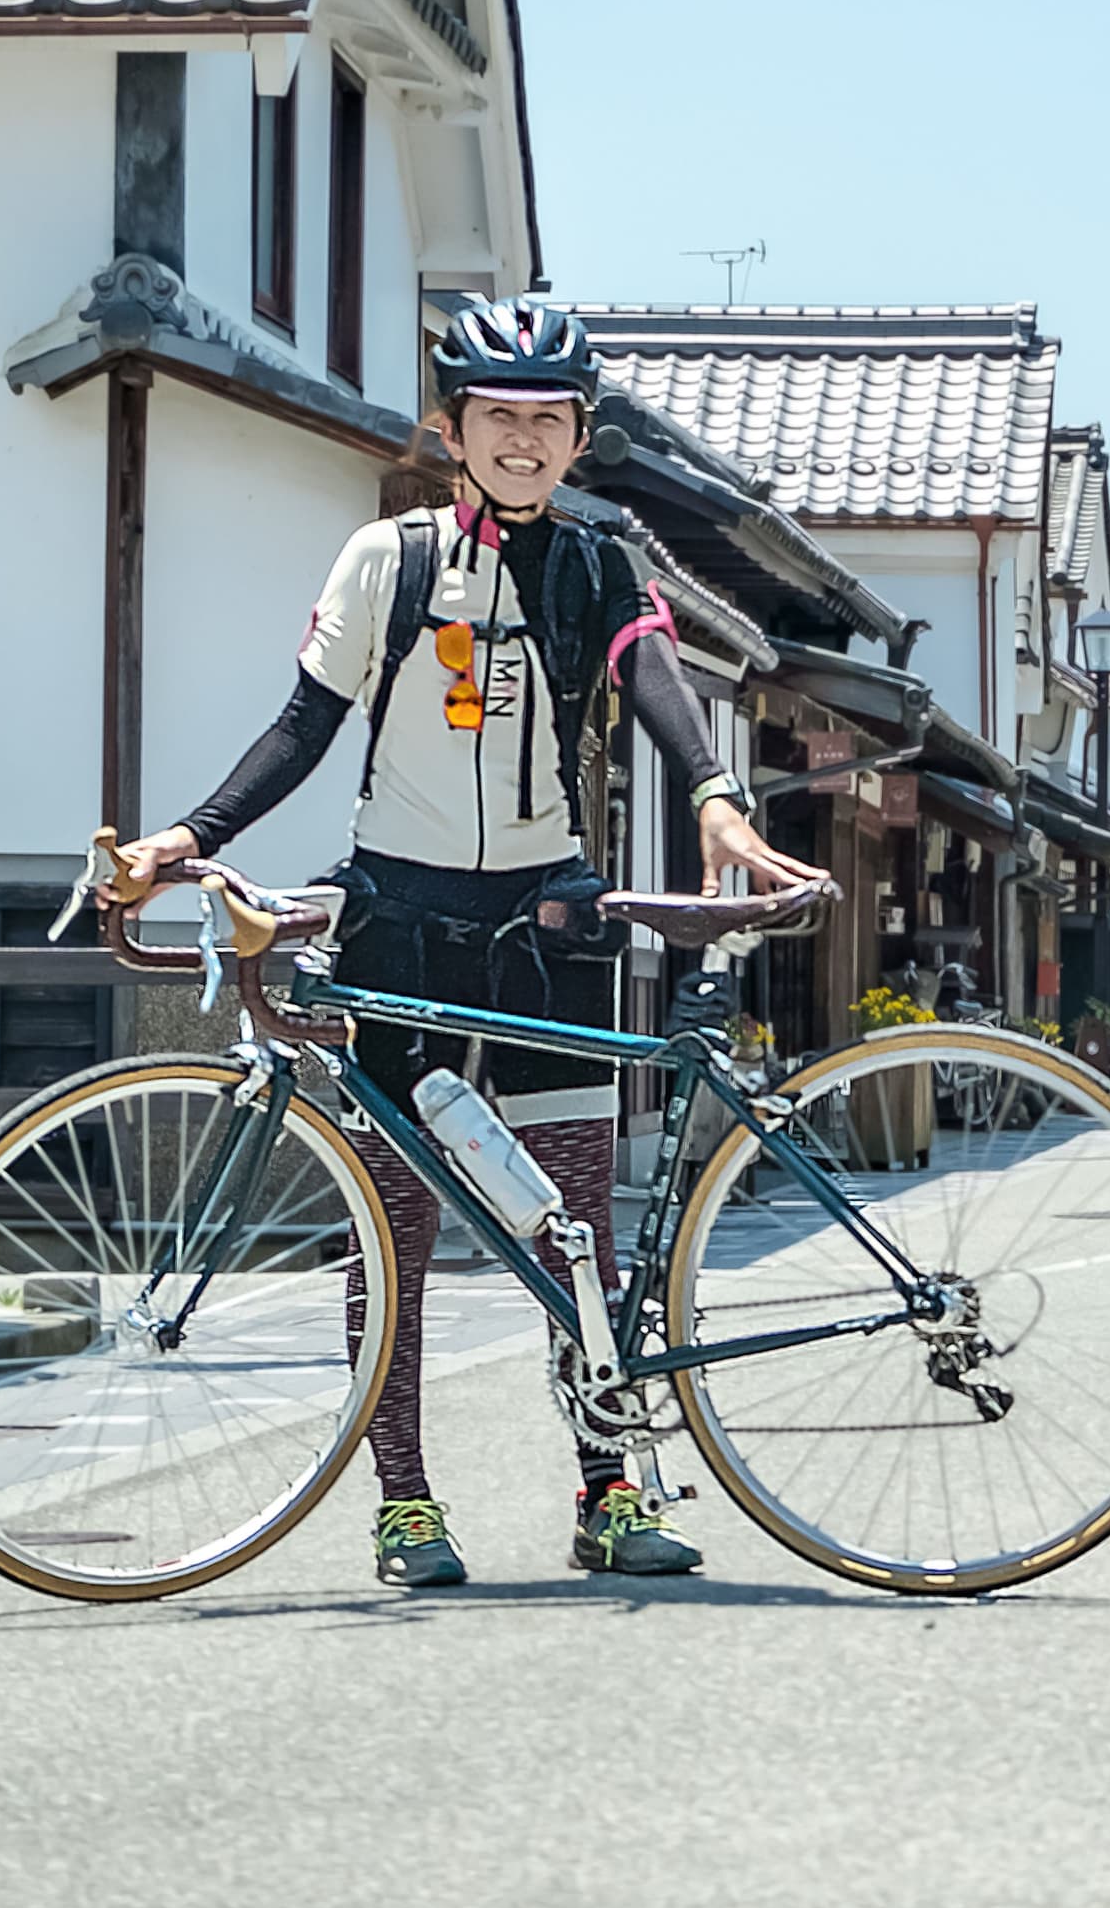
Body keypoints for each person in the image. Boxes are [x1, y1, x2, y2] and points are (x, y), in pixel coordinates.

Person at [113, 294, 819, 1583]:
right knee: (391, 1234)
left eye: (549, 421)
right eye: (500, 418)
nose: (525, 442)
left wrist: (714, 788)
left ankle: (609, 1493)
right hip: (402, 927)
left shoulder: (603, 557)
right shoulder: (386, 560)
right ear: (451, 430)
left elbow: (653, 675)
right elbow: (302, 727)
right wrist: (189, 833)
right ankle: (404, 1503)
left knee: (579, 1231)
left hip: (552, 923)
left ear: (578, 434)